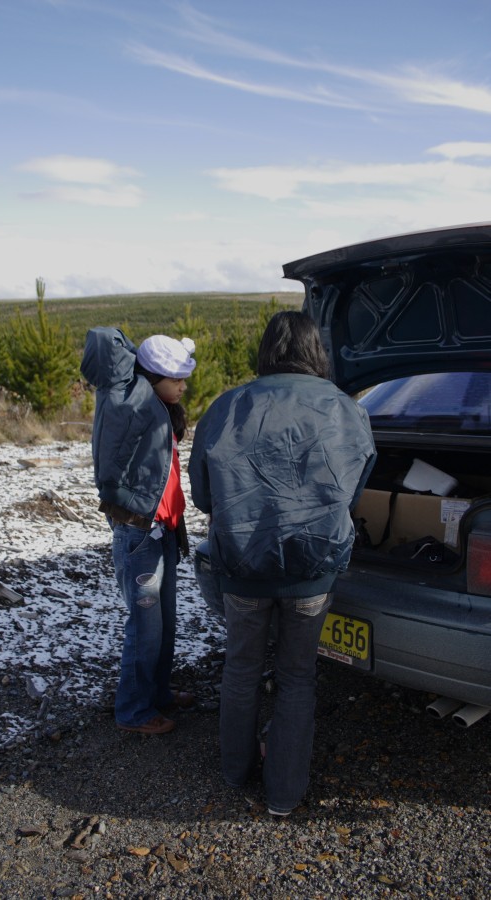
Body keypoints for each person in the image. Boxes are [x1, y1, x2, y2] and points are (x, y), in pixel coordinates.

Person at [188, 310, 376, 815]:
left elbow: (204, 494)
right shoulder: (346, 409)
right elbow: (354, 491)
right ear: (317, 351)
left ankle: (235, 772)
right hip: (313, 569)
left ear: (266, 350)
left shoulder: (226, 406)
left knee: (241, 669)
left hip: (243, 566)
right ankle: (284, 796)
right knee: (297, 677)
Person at [81, 327, 197, 735]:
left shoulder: (159, 408)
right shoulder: (125, 398)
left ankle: (157, 694)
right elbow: (103, 339)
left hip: (161, 531)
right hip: (137, 533)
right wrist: (141, 358)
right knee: (145, 626)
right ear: (152, 375)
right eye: (176, 378)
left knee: (163, 623)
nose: (183, 386)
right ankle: (133, 710)